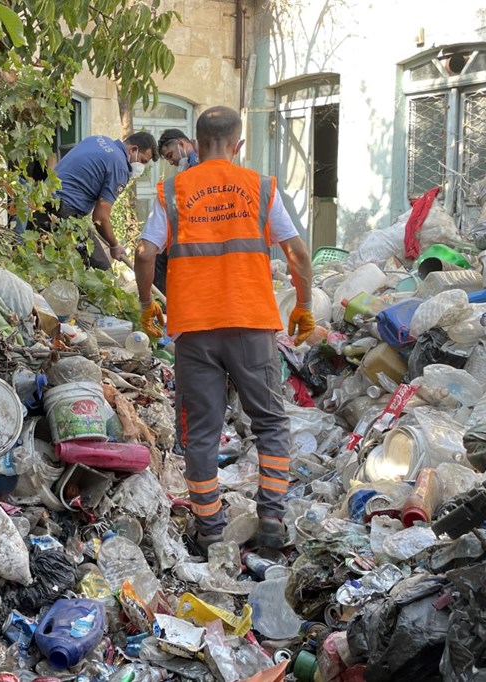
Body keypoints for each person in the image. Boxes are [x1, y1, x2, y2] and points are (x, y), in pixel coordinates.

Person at [133, 106, 315, 554]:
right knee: (270, 421)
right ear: (238, 145)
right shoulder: (261, 187)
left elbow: (143, 253)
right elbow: (298, 253)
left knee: (201, 432)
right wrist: (305, 305)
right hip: (251, 325)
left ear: (196, 141)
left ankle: (210, 527)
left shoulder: (173, 189)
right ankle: (271, 517)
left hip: (195, 330)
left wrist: (145, 304)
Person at [31, 132, 157, 270]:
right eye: (143, 161)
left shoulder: (99, 139)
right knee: (101, 272)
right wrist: (114, 245)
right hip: (63, 214)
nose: (142, 167)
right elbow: (100, 217)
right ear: (133, 150)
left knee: (49, 267)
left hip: (41, 205)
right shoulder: (120, 166)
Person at [151, 128, 200, 294]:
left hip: (197, 233)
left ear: (181, 144)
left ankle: (165, 306)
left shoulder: (198, 162)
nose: (171, 162)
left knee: (157, 254)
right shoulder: (191, 165)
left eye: (170, 155)